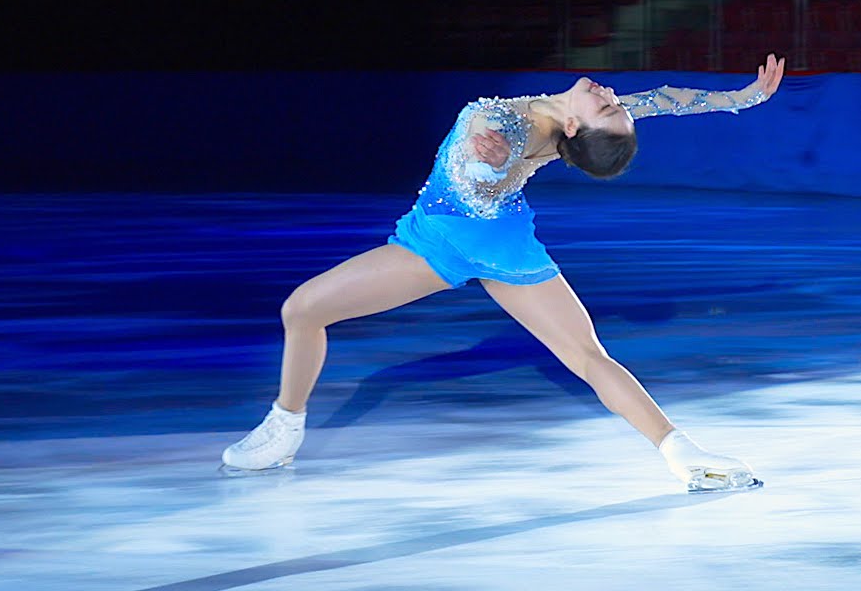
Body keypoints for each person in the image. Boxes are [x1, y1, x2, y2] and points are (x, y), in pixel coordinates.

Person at [221, 54, 787, 493]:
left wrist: (484, 163)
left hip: (454, 239)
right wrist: (746, 96)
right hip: (477, 238)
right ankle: (283, 430)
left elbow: (477, 178)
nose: (614, 97)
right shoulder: (570, 117)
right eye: (618, 107)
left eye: (608, 108)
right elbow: (668, 100)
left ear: (573, 126)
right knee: (302, 310)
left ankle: (684, 453)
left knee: (301, 309)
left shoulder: (507, 129)